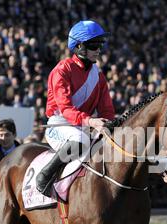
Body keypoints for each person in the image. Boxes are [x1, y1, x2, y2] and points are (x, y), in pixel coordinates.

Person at [36, 20, 116, 197]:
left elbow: (107, 111)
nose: (99, 50)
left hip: (85, 125)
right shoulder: (62, 70)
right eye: (94, 45)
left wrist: (110, 125)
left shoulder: (99, 77)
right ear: (79, 46)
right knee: (81, 140)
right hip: (59, 124)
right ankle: (44, 177)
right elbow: (65, 109)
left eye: (100, 45)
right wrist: (90, 120)